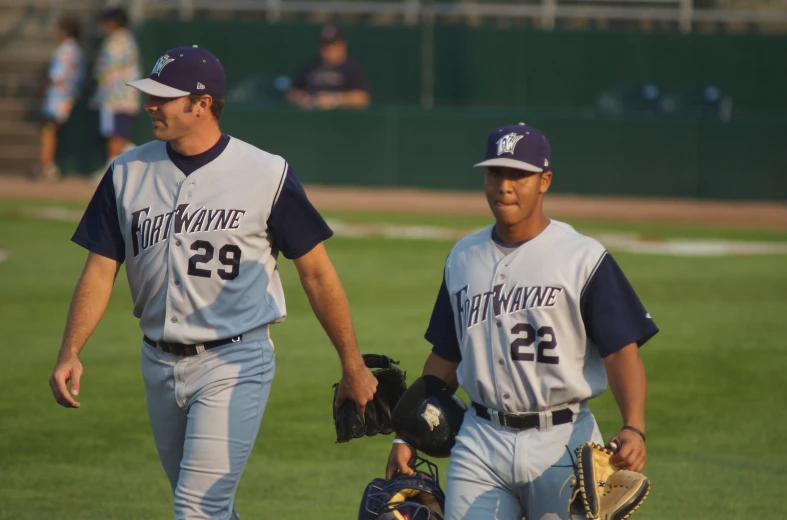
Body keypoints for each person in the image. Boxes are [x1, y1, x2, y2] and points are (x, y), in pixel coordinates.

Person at [48, 45, 379, 519]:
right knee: (207, 510)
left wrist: (352, 362)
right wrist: (70, 350)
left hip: (234, 360)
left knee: (198, 508)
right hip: (157, 362)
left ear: (201, 104)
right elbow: (100, 268)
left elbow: (317, 273)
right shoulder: (126, 172)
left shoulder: (265, 173)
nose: (150, 106)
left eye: (163, 97)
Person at [385, 123, 658, 520]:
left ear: (544, 181)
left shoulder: (583, 258)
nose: (504, 186)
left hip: (564, 442)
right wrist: (406, 435)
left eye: (518, 175)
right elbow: (444, 358)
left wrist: (634, 426)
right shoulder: (463, 257)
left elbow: (621, 351)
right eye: (495, 173)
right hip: (480, 440)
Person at [31, 15, 86, 181]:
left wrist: (43, 84)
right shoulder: (76, 49)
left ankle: (46, 165)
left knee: (49, 130)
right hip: (69, 95)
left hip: (59, 97)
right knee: (52, 130)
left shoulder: (66, 50)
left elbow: (57, 74)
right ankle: (47, 165)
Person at [91, 7, 140, 172]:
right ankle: (116, 165)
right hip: (119, 96)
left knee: (116, 132)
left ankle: (112, 168)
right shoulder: (124, 39)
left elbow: (106, 69)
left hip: (116, 96)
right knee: (117, 132)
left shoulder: (117, 41)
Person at [286, 24, 370, 110]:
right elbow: (291, 94)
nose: (329, 50)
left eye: (333, 45)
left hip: (342, 119)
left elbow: (362, 99)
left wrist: (334, 99)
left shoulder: (352, 68)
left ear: (342, 46)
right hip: (312, 117)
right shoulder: (309, 67)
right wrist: (305, 99)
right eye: (325, 46)